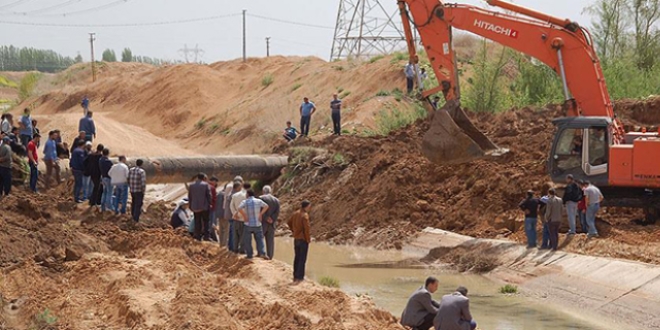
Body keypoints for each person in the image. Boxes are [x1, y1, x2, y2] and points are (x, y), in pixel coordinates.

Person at [239, 189, 269, 259]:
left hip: (248, 224)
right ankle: (262, 253)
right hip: (257, 223)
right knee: (260, 239)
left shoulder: (245, 202)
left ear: (247, 194)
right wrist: (260, 214)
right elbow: (266, 206)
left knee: (247, 240)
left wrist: (244, 216)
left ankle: (250, 255)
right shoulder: (258, 201)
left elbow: (239, 208)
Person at [287, 200, 311, 282]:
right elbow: (306, 229)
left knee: (297, 257)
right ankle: (300, 277)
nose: (309, 208)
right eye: (309, 206)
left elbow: (289, 222)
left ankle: (295, 275)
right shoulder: (305, 216)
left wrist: (293, 231)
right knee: (302, 259)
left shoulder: (295, 214)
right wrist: (308, 239)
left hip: (296, 238)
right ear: (306, 206)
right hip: (303, 239)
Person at [188, 173, 212, 241]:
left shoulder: (191, 185)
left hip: (195, 207)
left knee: (197, 221)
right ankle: (206, 236)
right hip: (204, 206)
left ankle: (197, 236)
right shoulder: (206, 185)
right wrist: (210, 203)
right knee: (206, 221)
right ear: (204, 178)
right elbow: (209, 195)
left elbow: (190, 196)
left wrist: (190, 205)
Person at [259, 185, 280, 260]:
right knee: (270, 240)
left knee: (260, 237)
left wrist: (265, 217)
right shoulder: (276, 200)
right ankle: (270, 256)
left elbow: (260, 210)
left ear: (263, 191)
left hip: (263, 222)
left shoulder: (261, 198)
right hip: (271, 223)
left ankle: (261, 253)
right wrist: (272, 219)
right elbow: (277, 212)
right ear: (270, 191)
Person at [231, 182, 250, 252]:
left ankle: (235, 249)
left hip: (236, 218)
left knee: (236, 235)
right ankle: (242, 250)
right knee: (243, 235)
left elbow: (231, 206)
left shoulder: (235, 195)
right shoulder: (247, 196)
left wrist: (234, 214)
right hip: (244, 218)